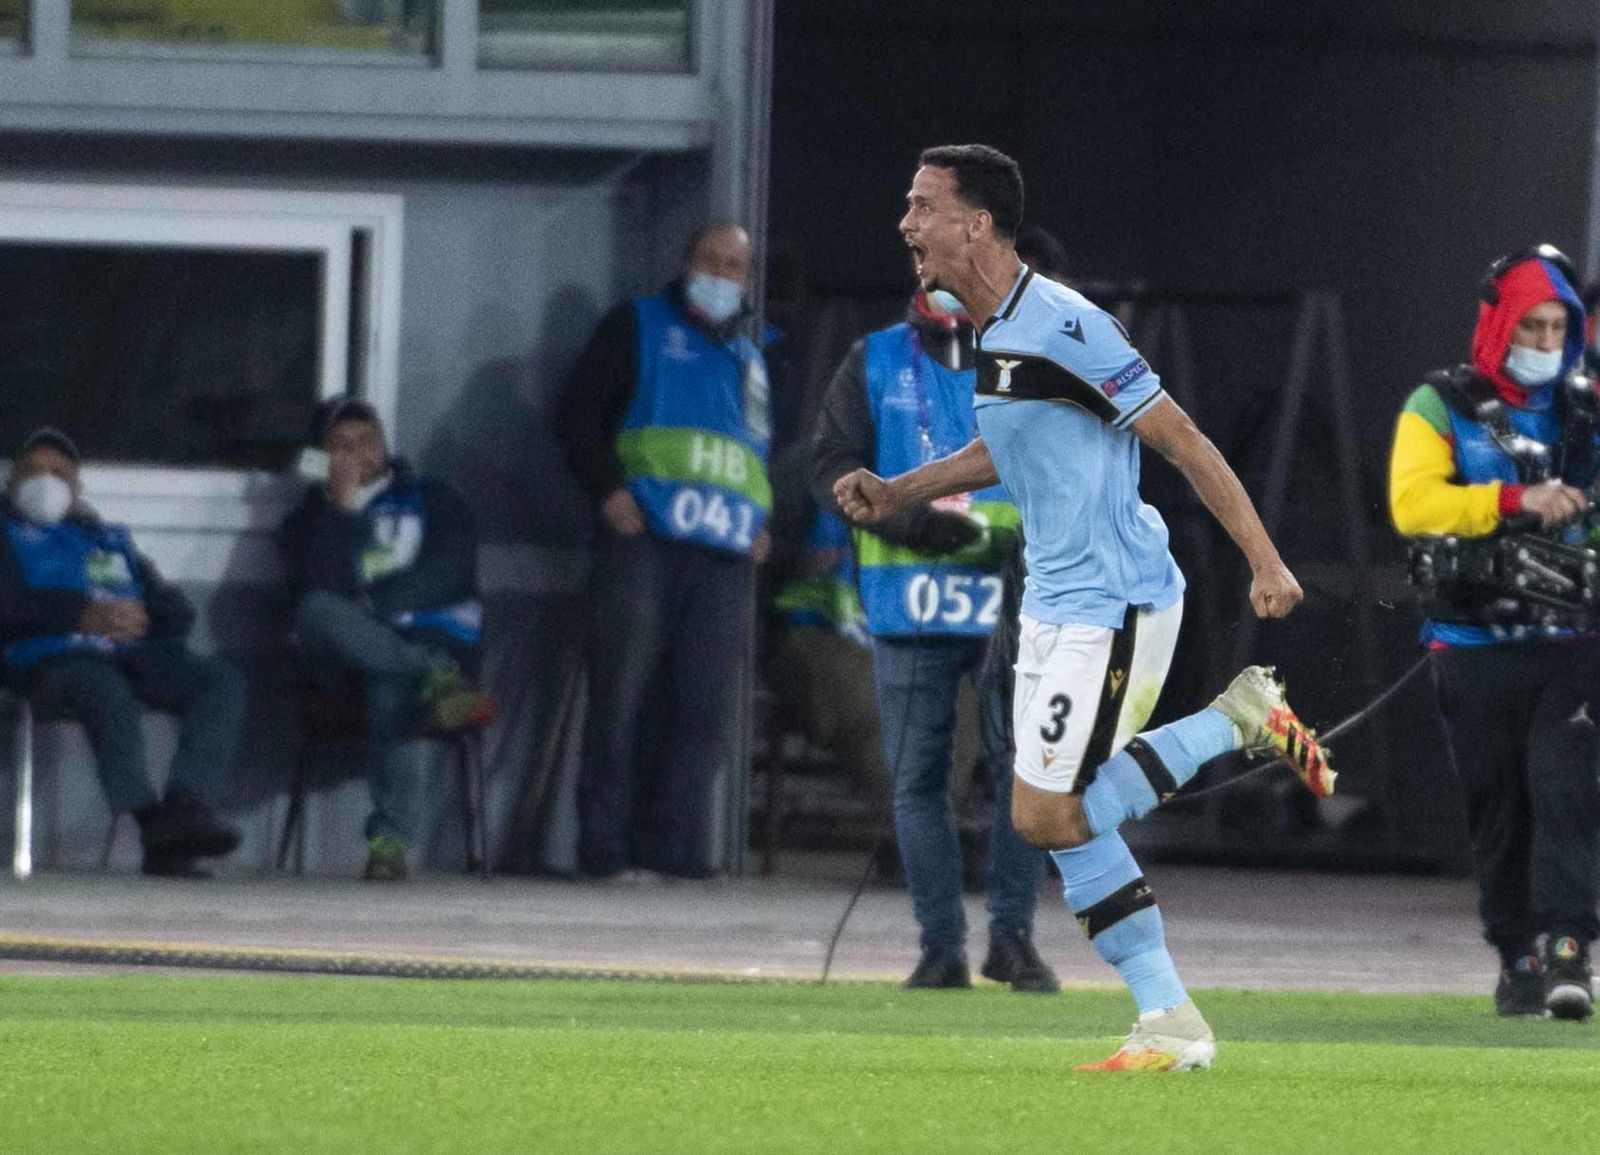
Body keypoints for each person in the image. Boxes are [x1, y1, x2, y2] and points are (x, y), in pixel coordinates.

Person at [834, 144, 1334, 1071]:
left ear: (975, 222)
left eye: (921, 206)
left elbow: (1181, 437)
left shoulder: (1067, 325)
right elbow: (1007, 446)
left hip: (1116, 601)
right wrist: (902, 490)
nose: (906, 224)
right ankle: (1168, 1021)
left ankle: (1237, 723)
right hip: (1056, 608)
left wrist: (1265, 559)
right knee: (1054, 816)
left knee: (1044, 814)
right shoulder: (995, 331)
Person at [812, 285, 1058, 993]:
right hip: (908, 601)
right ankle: (940, 946)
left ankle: (1011, 938)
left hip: (1008, 607)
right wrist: (912, 525)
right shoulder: (873, 360)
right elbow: (829, 469)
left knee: (1022, 775)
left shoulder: (1025, 360)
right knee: (918, 782)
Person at [1389, 245, 1600, 1021]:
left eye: (1557, 330)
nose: (1546, 346)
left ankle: (1570, 947)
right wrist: (1514, 502)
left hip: (1572, 641)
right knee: (1498, 804)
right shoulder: (1438, 403)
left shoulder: (1590, 406)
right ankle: (1516, 952)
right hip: (1469, 642)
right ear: (1498, 323)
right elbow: (1415, 506)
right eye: (1532, 328)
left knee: (1567, 786)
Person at [556, 222, 771, 880]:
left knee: (700, 705)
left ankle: (673, 847)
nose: (721, 271)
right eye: (710, 258)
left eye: (734, 264)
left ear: (747, 278)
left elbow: (751, 451)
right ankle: (605, 850)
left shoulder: (750, 358)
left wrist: (762, 521)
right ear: (687, 262)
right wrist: (606, 490)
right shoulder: (636, 324)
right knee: (620, 697)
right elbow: (576, 414)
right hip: (644, 539)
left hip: (724, 553)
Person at [0, 427, 244, 877]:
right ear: (12, 483)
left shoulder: (107, 538)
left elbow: (175, 608)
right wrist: (81, 614)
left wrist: (146, 617)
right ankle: (148, 820)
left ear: (77, 489)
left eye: (60, 473)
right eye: (35, 472)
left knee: (219, 678)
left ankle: (185, 803)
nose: (48, 482)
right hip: (50, 658)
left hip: (133, 652)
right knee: (104, 687)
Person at [277, 398, 494, 882]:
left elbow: (451, 572)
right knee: (315, 610)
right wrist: (340, 507)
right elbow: (320, 587)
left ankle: (389, 842)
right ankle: (427, 672)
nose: (360, 454)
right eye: (342, 445)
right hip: (348, 665)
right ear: (321, 457)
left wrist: (375, 605)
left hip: (427, 640)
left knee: (389, 685)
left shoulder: (437, 499)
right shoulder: (307, 522)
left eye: (368, 441)